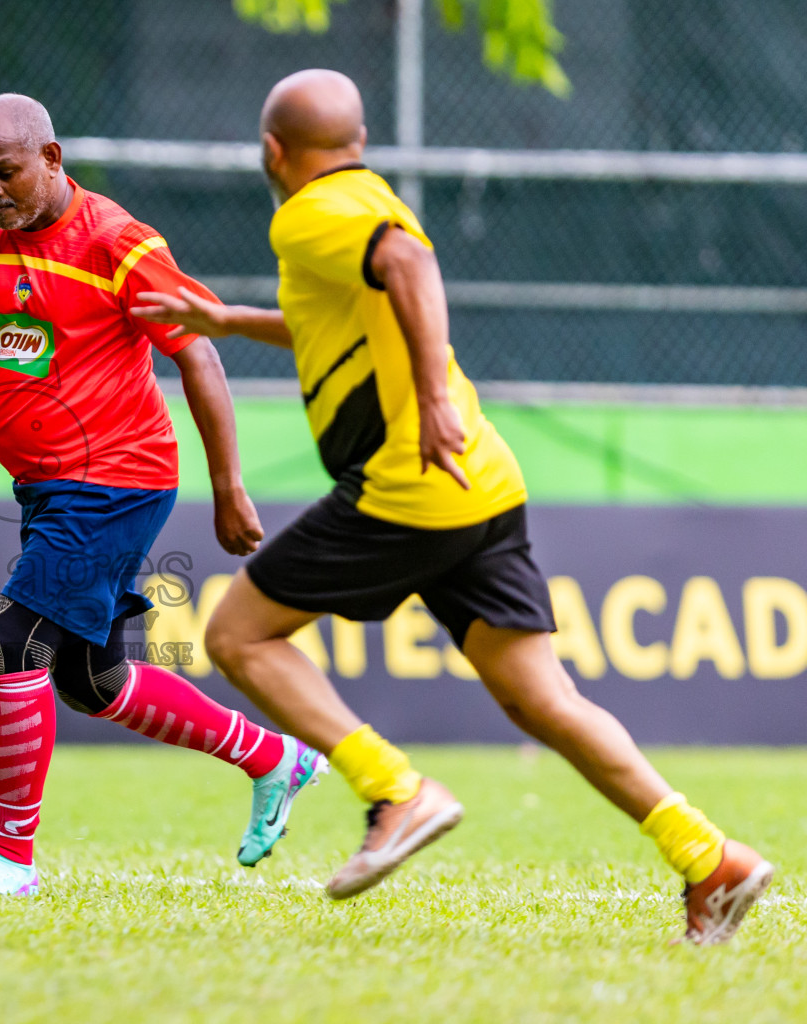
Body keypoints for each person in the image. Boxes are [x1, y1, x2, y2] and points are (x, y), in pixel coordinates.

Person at [131, 69, 772, 945]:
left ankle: (394, 790)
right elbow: (344, 312)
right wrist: (229, 322)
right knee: (545, 700)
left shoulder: (309, 213)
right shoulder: (362, 198)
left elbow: (408, 263)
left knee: (238, 635)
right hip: (483, 484)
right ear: (354, 141)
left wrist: (431, 397)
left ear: (273, 152)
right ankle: (711, 859)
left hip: (408, 487)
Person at [0, 93, 327, 897]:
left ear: (52, 159)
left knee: (13, 639)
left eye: (6, 171)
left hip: (116, 477)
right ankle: (276, 757)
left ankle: (9, 862)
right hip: (45, 488)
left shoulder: (120, 242)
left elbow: (199, 357)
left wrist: (228, 488)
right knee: (89, 681)